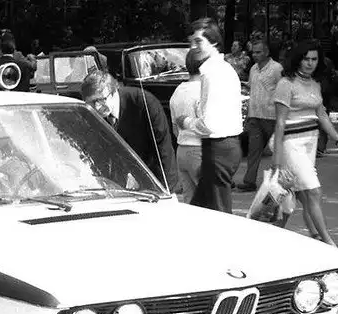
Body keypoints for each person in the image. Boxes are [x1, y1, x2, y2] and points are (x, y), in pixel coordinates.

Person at [272, 40, 338, 246]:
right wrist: (276, 160)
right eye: (306, 59)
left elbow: (321, 114)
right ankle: (328, 241)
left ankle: (310, 235)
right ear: (298, 59)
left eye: (314, 59)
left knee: (301, 195)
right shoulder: (285, 84)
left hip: (310, 143)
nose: (310, 63)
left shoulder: (315, 84)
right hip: (290, 144)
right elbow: (280, 122)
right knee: (314, 191)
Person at [177, 18, 243, 214]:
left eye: (198, 41)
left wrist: (186, 121)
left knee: (218, 214)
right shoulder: (223, 69)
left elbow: (209, 124)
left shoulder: (212, 73)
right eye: (191, 42)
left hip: (218, 149)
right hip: (223, 147)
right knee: (201, 211)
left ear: (214, 41)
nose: (193, 47)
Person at [82, 70, 178, 193]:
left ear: (114, 91)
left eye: (101, 100)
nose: (97, 107)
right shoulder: (91, 113)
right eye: (91, 102)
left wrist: (166, 190)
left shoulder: (144, 103)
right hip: (122, 183)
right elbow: (98, 154)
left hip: (157, 177)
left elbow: (163, 151)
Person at [238, 40, 283, 192]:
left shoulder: (277, 68)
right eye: (254, 52)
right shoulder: (253, 69)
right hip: (255, 116)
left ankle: (279, 182)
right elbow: (252, 89)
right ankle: (249, 181)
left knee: (277, 150)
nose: (255, 55)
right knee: (253, 151)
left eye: (258, 52)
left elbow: (284, 90)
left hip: (272, 117)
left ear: (267, 52)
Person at [169, 49, 205, 203]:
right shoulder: (203, 91)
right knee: (209, 201)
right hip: (199, 150)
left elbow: (174, 128)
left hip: (182, 149)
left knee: (190, 201)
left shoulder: (177, 91)